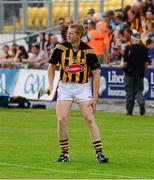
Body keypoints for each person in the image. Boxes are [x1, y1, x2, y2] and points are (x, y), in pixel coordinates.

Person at [47, 24, 109, 163]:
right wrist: (51, 85)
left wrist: (95, 97)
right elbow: (51, 67)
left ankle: (99, 153)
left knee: (89, 118)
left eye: (71, 33)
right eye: (68, 33)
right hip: (65, 87)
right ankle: (64, 154)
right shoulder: (60, 48)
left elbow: (96, 74)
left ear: (79, 36)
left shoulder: (88, 51)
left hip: (83, 87)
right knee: (61, 119)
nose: (68, 35)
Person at [122, 33, 149, 116]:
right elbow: (146, 63)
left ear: (132, 39)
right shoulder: (144, 48)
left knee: (129, 93)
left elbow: (125, 62)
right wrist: (143, 71)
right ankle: (141, 101)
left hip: (129, 73)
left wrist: (124, 72)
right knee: (139, 91)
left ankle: (129, 112)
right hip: (140, 74)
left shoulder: (128, 48)